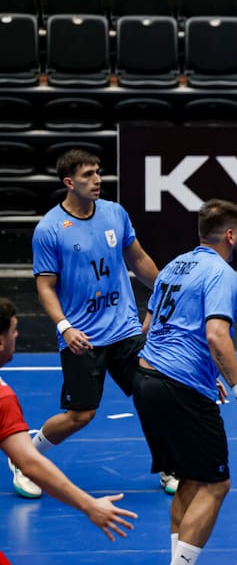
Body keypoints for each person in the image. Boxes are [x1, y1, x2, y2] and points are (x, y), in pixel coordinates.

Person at [13, 148, 178, 500]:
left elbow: (139, 259)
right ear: (69, 182)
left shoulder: (115, 214)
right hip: (81, 336)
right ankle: (25, 457)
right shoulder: (50, 229)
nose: (97, 180)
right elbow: (45, 286)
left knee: (154, 395)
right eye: (87, 175)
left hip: (124, 328)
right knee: (80, 415)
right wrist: (64, 327)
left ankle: (169, 467)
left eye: (98, 172)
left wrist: (167, 291)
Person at [132, 199, 237, 565]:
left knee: (190, 479)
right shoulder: (221, 274)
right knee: (216, 484)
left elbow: (149, 328)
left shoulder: (174, 266)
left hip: (147, 379)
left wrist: (205, 372)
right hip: (179, 385)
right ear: (231, 235)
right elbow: (217, 335)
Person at [0, 297, 137, 545]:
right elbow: (30, 463)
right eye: (14, 330)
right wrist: (90, 505)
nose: (17, 335)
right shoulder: (3, 399)